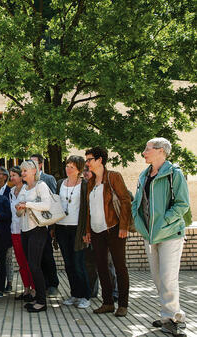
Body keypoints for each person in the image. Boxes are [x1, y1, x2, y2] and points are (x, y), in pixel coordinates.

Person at [133, 137, 189, 336]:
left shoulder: (174, 174)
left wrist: (164, 221)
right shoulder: (144, 175)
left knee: (168, 278)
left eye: (147, 149)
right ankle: (169, 314)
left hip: (170, 234)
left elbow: (182, 204)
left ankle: (173, 319)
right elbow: (137, 202)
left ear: (160, 151)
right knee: (158, 278)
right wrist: (138, 221)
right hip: (150, 235)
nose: (144, 153)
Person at [83, 147, 131, 318]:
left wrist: (124, 226)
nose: (87, 163)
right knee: (101, 267)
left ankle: (123, 305)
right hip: (96, 231)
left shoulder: (113, 177)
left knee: (119, 266)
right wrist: (88, 230)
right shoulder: (90, 182)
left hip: (114, 228)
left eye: (89, 159)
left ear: (100, 160)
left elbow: (125, 201)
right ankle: (108, 302)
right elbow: (89, 209)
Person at [15, 160, 52, 313]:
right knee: (32, 265)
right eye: (22, 170)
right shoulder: (24, 187)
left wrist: (27, 205)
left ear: (34, 171)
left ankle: (42, 301)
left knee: (35, 265)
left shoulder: (41, 185)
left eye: (25, 170)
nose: (22, 173)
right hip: (25, 229)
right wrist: (19, 208)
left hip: (38, 229)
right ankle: (38, 297)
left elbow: (46, 205)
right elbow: (18, 211)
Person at [55, 156, 91, 309]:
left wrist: (87, 231)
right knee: (68, 264)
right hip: (62, 227)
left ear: (79, 169)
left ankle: (85, 295)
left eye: (72, 167)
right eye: (67, 165)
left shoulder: (84, 185)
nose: (68, 169)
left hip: (78, 228)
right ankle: (74, 294)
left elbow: (88, 210)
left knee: (78, 263)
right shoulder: (59, 184)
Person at [30, 154, 59, 296]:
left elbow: (53, 202)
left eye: (34, 163)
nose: (31, 165)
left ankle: (53, 284)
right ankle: (42, 285)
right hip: (32, 225)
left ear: (40, 165)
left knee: (47, 255)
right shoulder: (27, 181)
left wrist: (53, 227)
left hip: (46, 224)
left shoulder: (48, 179)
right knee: (37, 257)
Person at [8, 166, 35, 302]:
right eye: (10, 175)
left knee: (30, 261)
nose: (12, 178)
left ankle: (35, 289)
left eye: (14, 175)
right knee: (21, 261)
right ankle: (26, 288)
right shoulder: (11, 191)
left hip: (26, 229)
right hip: (15, 230)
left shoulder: (27, 189)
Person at [0, 166, 13, 292]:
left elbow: (9, 214)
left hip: (6, 231)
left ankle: (8, 283)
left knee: (7, 259)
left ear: (5, 176)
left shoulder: (9, 193)